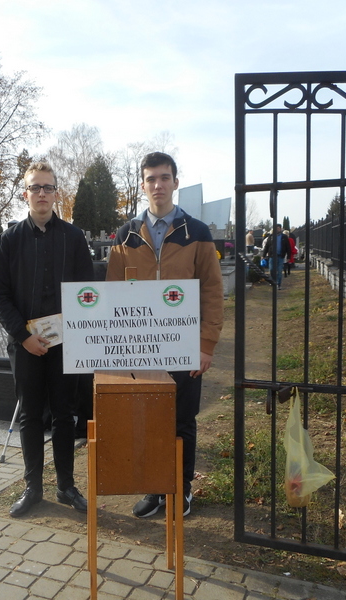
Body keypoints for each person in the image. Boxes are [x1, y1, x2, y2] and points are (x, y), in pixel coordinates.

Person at [106, 152, 224, 518]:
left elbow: (212, 292)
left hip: (184, 345)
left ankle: (180, 489)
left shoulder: (197, 233)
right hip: (140, 348)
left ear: (175, 182)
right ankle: (155, 488)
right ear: (142, 185)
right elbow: (112, 292)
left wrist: (205, 345)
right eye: (151, 179)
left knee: (182, 420)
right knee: (146, 417)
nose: (158, 185)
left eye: (165, 177)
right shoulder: (125, 235)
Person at [0, 161, 94, 518]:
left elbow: (86, 292)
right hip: (26, 345)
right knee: (31, 416)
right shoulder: (9, 240)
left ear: (56, 193)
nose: (42, 194)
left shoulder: (74, 238)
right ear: (25, 194)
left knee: (65, 415)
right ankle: (33, 486)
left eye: (48, 187)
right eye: (36, 187)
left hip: (66, 345)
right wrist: (23, 336)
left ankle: (66, 485)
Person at [261, 224, 291, 289]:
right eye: (276, 228)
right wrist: (263, 255)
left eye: (278, 228)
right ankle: (273, 281)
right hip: (272, 256)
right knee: (271, 269)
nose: (277, 229)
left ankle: (278, 284)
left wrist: (288, 256)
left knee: (279, 270)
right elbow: (267, 246)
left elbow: (288, 247)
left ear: (280, 229)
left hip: (280, 256)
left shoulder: (284, 237)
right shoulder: (271, 236)